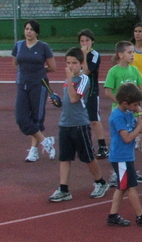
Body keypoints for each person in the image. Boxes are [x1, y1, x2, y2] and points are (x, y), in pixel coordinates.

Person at [47, 48, 110, 203]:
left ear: (81, 64)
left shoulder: (83, 80)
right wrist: (58, 102)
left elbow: (75, 98)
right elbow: (69, 101)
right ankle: (63, 189)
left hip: (79, 125)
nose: (70, 66)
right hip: (65, 124)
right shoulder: (67, 80)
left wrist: (69, 80)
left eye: (74, 63)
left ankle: (100, 182)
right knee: (64, 158)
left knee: (88, 156)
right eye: (68, 63)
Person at [106, 83, 142, 227]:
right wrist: (141, 125)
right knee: (131, 187)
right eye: (135, 104)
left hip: (126, 156)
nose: (136, 106)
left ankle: (113, 215)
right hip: (121, 157)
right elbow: (128, 138)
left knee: (122, 187)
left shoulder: (127, 112)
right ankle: (140, 215)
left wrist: (139, 112)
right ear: (125, 103)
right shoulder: (117, 116)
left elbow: (137, 129)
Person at [12, 19, 56, 162]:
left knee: (36, 119)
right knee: (21, 118)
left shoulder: (44, 47)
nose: (28, 31)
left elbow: (52, 67)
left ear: (36, 32)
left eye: (31, 29)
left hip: (39, 85)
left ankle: (33, 151)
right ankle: (46, 142)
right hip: (22, 85)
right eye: (26, 29)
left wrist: (37, 72)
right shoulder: (18, 45)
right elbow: (15, 63)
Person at [104, 41, 142, 185]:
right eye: (129, 52)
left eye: (133, 52)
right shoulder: (113, 71)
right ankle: (118, 172)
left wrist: (137, 100)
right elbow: (107, 91)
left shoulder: (134, 70)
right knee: (121, 140)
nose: (132, 55)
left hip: (133, 111)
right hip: (121, 112)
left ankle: (131, 171)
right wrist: (122, 101)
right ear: (120, 55)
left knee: (133, 143)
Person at [78, 29, 108, 159]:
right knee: (80, 118)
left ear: (92, 41)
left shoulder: (94, 55)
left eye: (87, 41)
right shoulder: (76, 54)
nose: (85, 43)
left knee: (94, 118)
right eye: (82, 41)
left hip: (91, 90)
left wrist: (84, 55)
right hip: (79, 90)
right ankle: (84, 145)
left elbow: (86, 71)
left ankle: (102, 146)